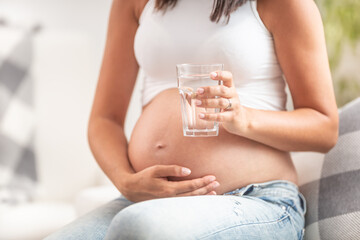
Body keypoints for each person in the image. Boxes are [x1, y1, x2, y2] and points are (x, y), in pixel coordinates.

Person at [46, 0, 338, 239]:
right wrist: (126, 181)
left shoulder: (284, 4)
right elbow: (104, 119)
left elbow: (324, 128)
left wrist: (245, 118)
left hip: (255, 199)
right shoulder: (135, 3)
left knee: (139, 228)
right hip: (151, 204)